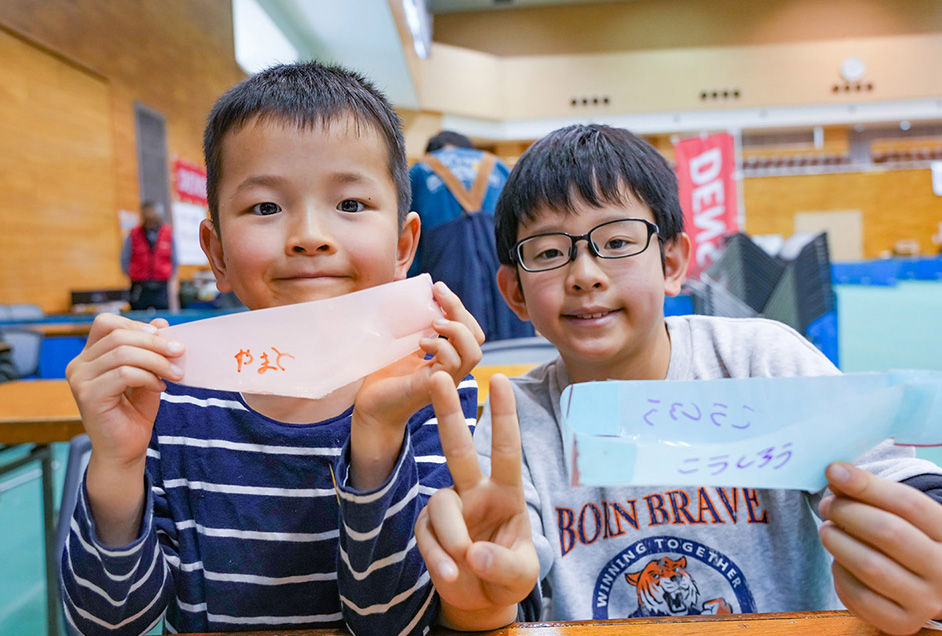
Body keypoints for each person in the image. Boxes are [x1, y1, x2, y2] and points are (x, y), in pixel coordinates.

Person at [415, 124, 942, 635]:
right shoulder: (513, 426)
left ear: (672, 263)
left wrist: (920, 543)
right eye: (550, 252)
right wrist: (481, 604)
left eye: (617, 242)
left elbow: (892, 478)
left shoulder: (759, 359)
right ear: (515, 294)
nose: (584, 274)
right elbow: (505, 580)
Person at [62, 62, 486, 636]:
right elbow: (108, 622)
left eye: (351, 205)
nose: (309, 235)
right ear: (216, 254)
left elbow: (392, 624)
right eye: (265, 207)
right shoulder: (167, 396)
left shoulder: (431, 388)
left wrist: (379, 436)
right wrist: (116, 462)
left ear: (403, 244)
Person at [409, 131, 534, 341]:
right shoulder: (498, 166)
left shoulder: (420, 172)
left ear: (431, 152)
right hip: (507, 292)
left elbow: (410, 256)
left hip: (449, 287)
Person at [121, 201, 177, 310]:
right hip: (140, 285)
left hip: (161, 285)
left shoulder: (168, 233)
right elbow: (124, 258)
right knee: (137, 315)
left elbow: (174, 259)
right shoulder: (134, 234)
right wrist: (132, 275)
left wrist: (169, 275)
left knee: (163, 316)